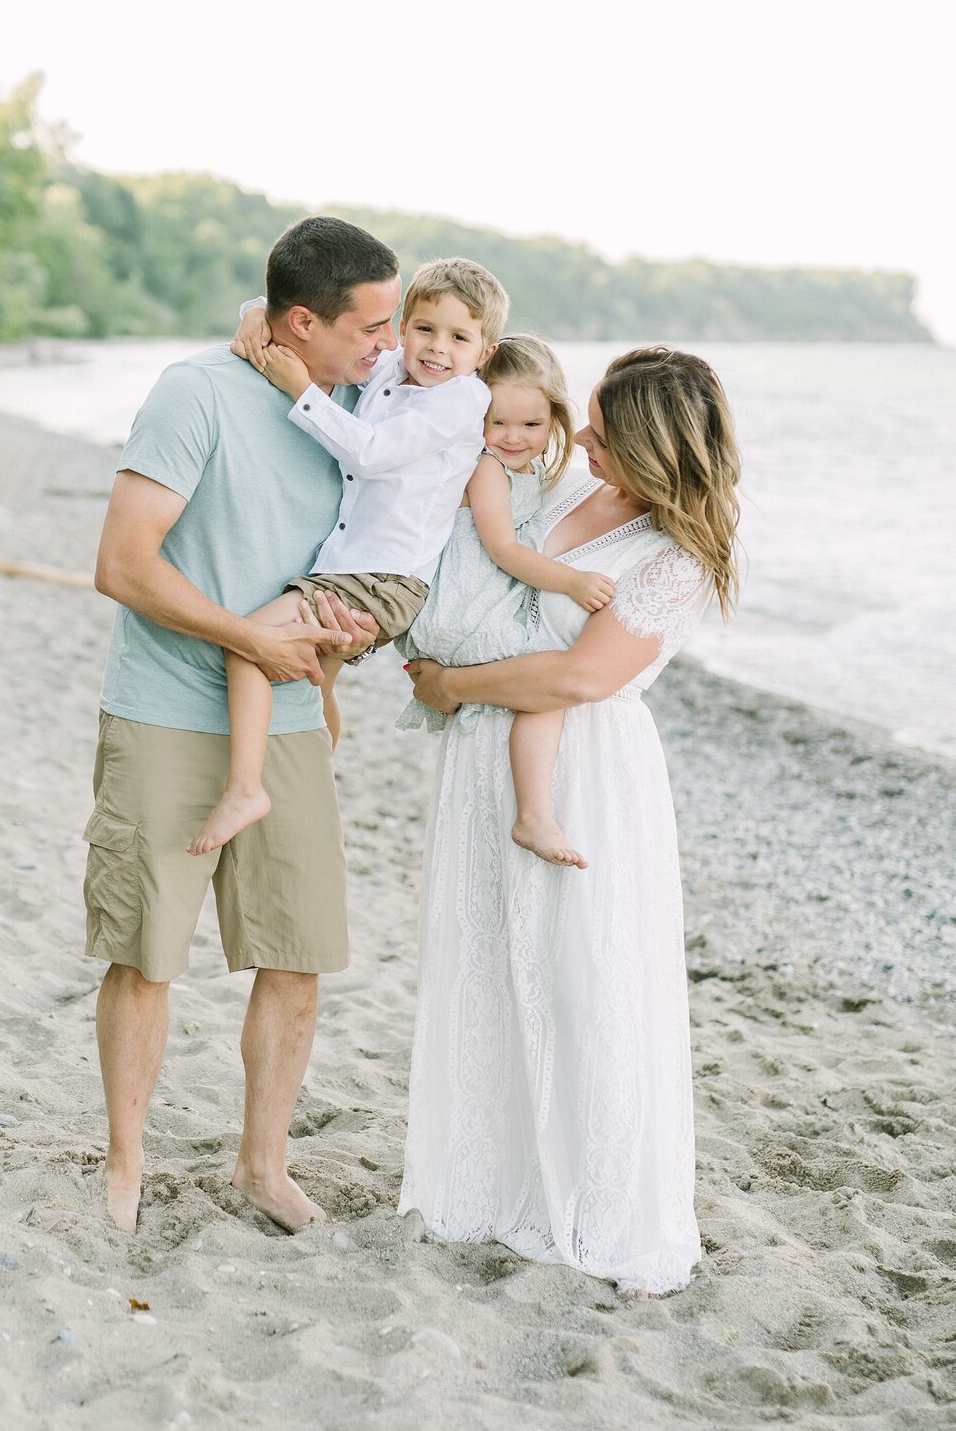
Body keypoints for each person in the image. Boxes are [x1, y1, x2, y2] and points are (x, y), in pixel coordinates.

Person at [402, 347, 741, 1294]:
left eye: (600, 432)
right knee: (488, 967)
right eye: (583, 424)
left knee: (581, 975)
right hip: (486, 756)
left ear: (652, 448)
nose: (577, 440)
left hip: (586, 768)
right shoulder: (556, 490)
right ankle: (491, 1186)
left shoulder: (674, 557)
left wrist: (452, 683)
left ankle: (595, 1203)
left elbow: (583, 676)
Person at [86, 215, 399, 1235]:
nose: (386, 347)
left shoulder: (354, 406)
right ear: (301, 321)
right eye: (371, 328)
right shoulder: (194, 393)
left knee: (298, 954)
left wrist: (333, 649)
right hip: (167, 710)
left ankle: (262, 1168)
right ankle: (124, 1166)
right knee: (145, 954)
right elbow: (124, 564)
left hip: (293, 716)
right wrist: (246, 640)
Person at [187, 259, 508, 856]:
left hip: (384, 579)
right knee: (316, 690)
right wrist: (256, 314)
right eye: (425, 329)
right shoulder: (392, 369)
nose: (437, 349)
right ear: (402, 326)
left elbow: (372, 452)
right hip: (347, 566)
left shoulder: (461, 400)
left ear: (483, 352)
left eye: (459, 338)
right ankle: (308, 787)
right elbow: (303, 312)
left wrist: (299, 390)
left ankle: (245, 788)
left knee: (245, 642)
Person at [396, 334, 618, 867]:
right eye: (497, 422)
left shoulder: (524, 469)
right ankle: (534, 814)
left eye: (532, 425)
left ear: (555, 420)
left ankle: (531, 810)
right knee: (547, 682)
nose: (513, 437)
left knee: (543, 682)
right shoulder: (486, 467)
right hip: (466, 613)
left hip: (477, 604)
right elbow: (502, 547)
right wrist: (569, 580)